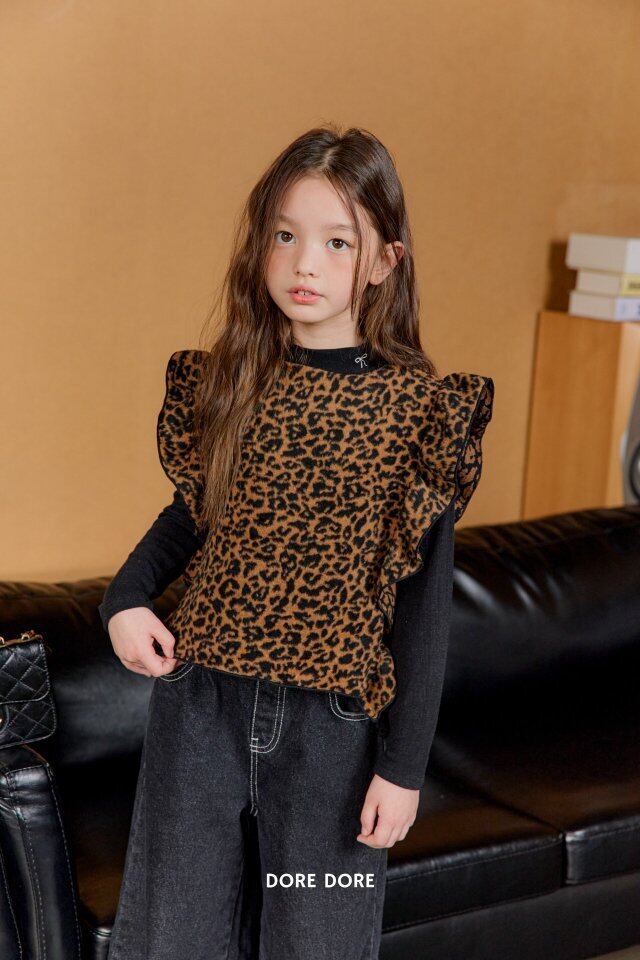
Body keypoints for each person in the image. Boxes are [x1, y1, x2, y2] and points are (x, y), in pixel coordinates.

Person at [100, 124, 495, 960]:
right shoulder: (232, 384)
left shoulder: (418, 415)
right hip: (200, 708)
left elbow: (424, 612)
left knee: (318, 940)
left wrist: (404, 769)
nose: (303, 263)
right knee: (172, 936)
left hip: (333, 732)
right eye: (285, 236)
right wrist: (125, 598)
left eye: (336, 242)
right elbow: (192, 515)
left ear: (385, 260)